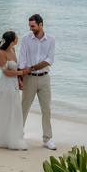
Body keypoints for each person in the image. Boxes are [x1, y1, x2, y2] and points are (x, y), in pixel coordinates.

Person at [18, 13, 57, 150]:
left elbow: (49, 60)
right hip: (29, 78)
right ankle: (18, 135)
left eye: (33, 26)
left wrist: (33, 67)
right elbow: (22, 59)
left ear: (41, 24)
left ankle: (47, 139)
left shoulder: (51, 40)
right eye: (29, 26)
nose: (31, 29)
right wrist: (20, 78)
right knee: (24, 107)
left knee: (46, 109)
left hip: (45, 78)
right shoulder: (25, 39)